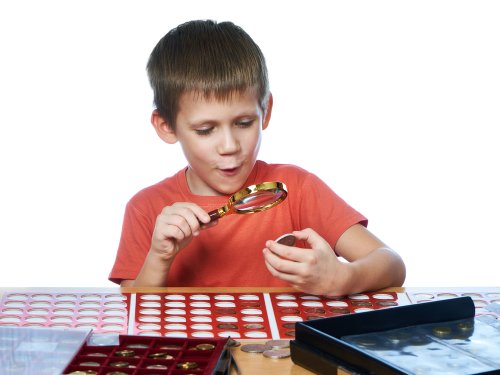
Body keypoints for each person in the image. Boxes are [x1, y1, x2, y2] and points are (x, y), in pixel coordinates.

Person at [109, 20, 406, 296]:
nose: (229, 146)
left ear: (266, 110)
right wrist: (160, 257)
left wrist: (342, 278)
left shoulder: (296, 188)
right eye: (205, 130)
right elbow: (133, 311)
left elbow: (391, 264)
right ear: (166, 127)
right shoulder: (146, 208)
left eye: (243, 123)